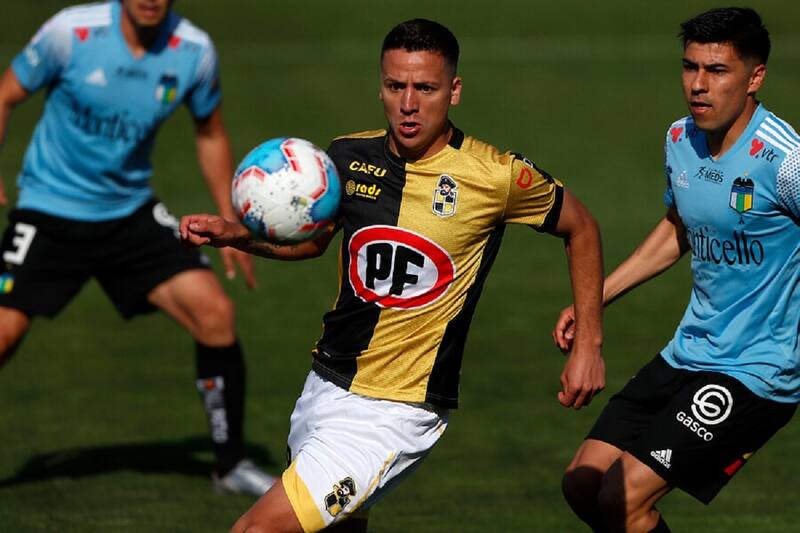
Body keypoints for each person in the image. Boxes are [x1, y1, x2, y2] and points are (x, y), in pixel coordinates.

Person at [182, 18, 605, 533]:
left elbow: (582, 227)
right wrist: (237, 235)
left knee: (255, 529)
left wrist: (589, 344)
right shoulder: (345, 157)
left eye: (425, 88)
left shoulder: (496, 176)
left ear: (454, 91)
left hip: (395, 412)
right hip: (325, 384)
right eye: (395, 86)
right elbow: (314, 243)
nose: (408, 103)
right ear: (380, 87)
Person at [0, 0, 275, 495]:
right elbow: (5, 95)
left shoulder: (194, 51)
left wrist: (230, 219)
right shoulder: (71, 33)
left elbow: (210, 132)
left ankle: (230, 465)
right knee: (3, 335)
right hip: (49, 211)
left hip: (128, 214)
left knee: (215, 314)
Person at [554, 7, 799, 533]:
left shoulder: (785, 160)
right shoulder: (679, 139)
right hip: (688, 352)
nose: (698, 85)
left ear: (755, 77)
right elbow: (678, 229)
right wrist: (595, 298)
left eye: (717, 70)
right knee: (583, 483)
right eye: (690, 67)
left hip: (756, 371)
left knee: (623, 498)